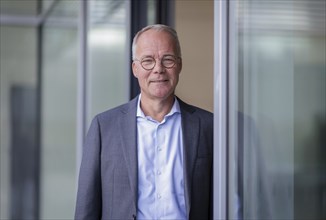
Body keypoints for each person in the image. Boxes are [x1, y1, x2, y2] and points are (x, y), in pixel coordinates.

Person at [74, 24, 213, 220]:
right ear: (135, 68)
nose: (159, 69)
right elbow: (86, 208)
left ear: (179, 65)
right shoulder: (104, 127)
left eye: (168, 59)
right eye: (148, 61)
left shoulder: (208, 127)